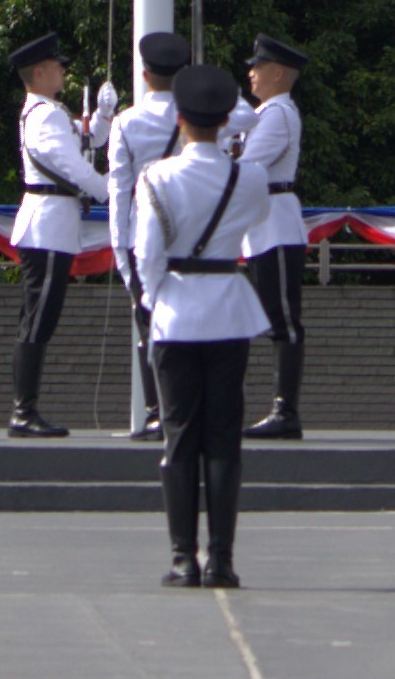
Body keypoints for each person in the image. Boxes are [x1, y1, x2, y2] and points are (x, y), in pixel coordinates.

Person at [127, 63, 269, 589]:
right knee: (224, 438)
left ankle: (184, 558)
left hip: (176, 313)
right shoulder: (249, 177)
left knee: (180, 438)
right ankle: (223, 560)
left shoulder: (157, 177)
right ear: (223, 121)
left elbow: (147, 253)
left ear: (181, 120)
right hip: (229, 311)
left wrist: (154, 297)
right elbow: (252, 222)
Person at [6, 33, 106, 439]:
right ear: (40, 71)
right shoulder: (45, 114)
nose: (63, 71)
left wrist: (104, 114)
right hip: (48, 224)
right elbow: (69, 163)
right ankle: (23, 412)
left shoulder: (47, 111)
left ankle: (25, 409)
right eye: (57, 65)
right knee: (37, 321)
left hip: (52, 224)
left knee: (37, 320)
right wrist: (106, 189)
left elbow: (86, 142)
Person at [104, 31, 187, 439]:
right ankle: (184, 411)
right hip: (190, 237)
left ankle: (156, 412)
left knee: (148, 325)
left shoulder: (126, 122)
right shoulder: (194, 116)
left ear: (145, 74)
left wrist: (120, 245)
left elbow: (118, 188)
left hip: (142, 236)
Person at [234, 37, 317, 441]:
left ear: (278, 73)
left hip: (276, 224)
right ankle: (280, 409)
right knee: (273, 319)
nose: (251, 71)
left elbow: (247, 166)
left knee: (283, 321)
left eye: (258, 66)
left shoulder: (278, 113)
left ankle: (285, 411)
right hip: (263, 224)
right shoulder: (265, 113)